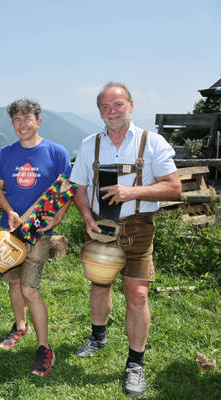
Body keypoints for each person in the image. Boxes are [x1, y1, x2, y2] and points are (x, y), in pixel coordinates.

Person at [70, 82, 181, 397]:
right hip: (101, 226)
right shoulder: (89, 144)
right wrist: (87, 218)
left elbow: (174, 187)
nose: (112, 111)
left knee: (138, 294)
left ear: (131, 105)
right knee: (99, 284)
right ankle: (98, 336)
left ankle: (135, 362)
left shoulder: (152, 142)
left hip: (137, 228)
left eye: (118, 104)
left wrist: (131, 191)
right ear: (99, 112)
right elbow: (78, 186)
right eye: (105, 107)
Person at [0, 98, 71, 377]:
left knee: (29, 290)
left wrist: (58, 218)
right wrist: (9, 211)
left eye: (27, 118)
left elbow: (65, 190)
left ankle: (44, 347)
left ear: (39, 121)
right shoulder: (6, 153)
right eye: (17, 119)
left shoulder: (56, 152)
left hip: (39, 232)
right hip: (9, 231)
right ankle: (20, 326)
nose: (22, 124)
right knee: (14, 283)